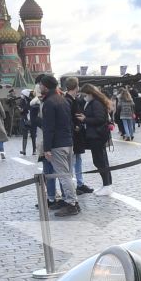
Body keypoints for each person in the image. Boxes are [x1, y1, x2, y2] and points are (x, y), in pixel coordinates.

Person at [36, 74, 80, 216]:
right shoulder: (63, 100)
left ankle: (71, 204)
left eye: (41, 85)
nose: (40, 87)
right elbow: (69, 123)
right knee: (67, 174)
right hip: (67, 142)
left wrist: (47, 148)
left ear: (46, 86)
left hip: (57, 144)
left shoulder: (49, 102)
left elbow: (49, 128)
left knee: (63, 175)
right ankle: (74, 202)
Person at [75, 83, 115, 187]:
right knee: (101, 161)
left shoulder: (96, 103)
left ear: (90, 93)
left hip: (97, 136)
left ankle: (107, 185)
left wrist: (85, 119)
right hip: (96, 135)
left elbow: (100, 119)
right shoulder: (94, 102)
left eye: (85, 95)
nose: (84, 97)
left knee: (100, 161)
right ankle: (106, 184)